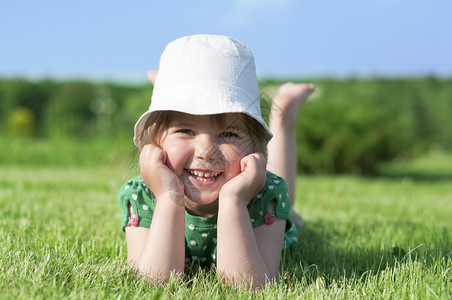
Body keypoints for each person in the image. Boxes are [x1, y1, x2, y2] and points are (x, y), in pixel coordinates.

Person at [117, 34, 314, 289]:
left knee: (290, 210)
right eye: (186, 130)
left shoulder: (267, 195)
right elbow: (153, 285)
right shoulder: (142, 194)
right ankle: (170, 84)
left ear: (254, 146)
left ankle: (283, 115)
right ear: (155, 142)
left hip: (264, 210)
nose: (206, 151)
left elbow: (249, 288)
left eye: (228, 134)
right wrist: (168, 196)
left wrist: (235, 201)